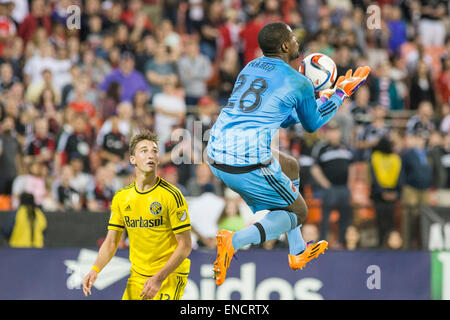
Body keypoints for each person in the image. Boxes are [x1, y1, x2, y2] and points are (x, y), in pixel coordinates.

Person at [206, 22, 370, 285]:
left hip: (215, 151)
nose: (297, 41)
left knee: (291, 166)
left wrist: (320, 98)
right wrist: (339, 94)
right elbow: (312, 124)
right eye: (293, 37)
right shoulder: (299, 82)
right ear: (284, 46)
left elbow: (282, 118)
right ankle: (233, 241)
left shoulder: (251, 67)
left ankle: (297, 251)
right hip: (246, 161)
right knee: (299, 212)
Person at [82, 131, 192, 300]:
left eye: (154, 151)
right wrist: (95, 269)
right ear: (132, 159)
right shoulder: (121, 197)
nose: (151, 155)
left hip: (168, 276)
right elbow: (111, 242)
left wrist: (158, 278)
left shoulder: (171, 195)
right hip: (138, 277)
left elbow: (185, 246)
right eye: (144, 150)